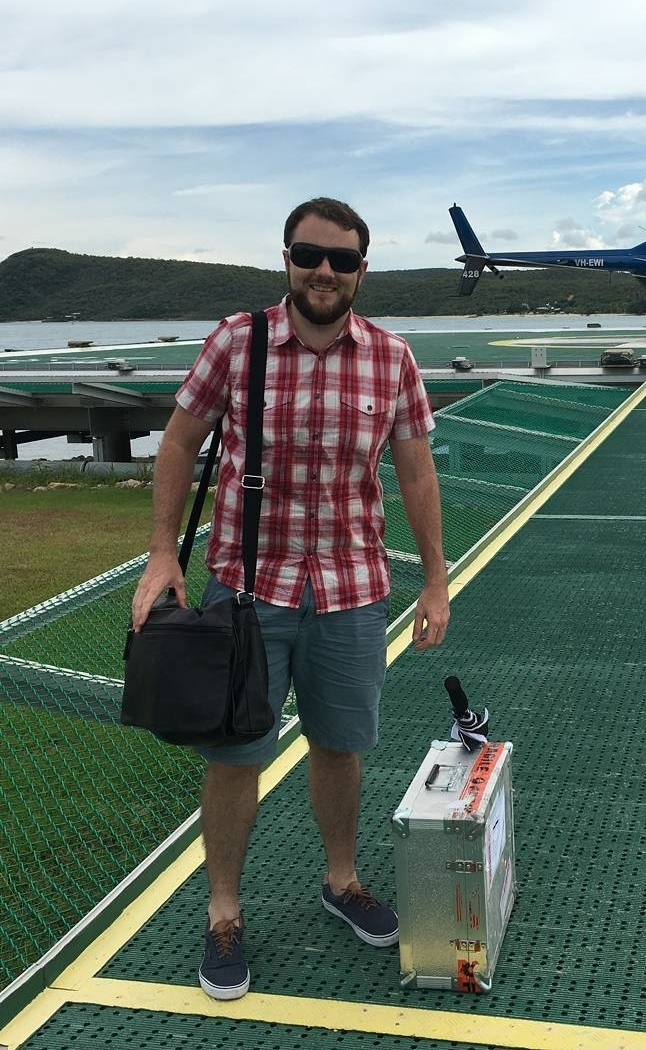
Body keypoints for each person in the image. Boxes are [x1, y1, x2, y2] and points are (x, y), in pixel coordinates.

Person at [130, 196, 450, 1002]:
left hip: (352, 590)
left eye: (341, 260)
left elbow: (416, 472)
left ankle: (341, 881)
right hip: (247, 591)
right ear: (286, 260)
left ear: (362, 271)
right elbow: (179, 440)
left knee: (339, 746)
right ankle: (224, 912)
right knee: (236, 755)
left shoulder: (392, 357)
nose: (324, 272)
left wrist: (436, 579)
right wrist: (162, 552)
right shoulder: (238, 342)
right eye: (309, 255)